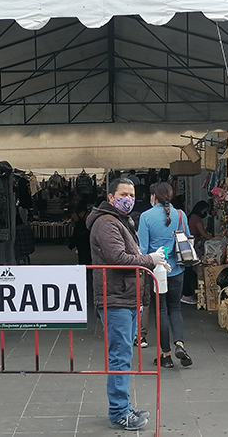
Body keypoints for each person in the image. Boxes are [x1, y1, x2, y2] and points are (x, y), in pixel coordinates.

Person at [86, 177, 168, 431]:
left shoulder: (122, 221)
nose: (129, 199)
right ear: (111, 197)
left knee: (124, 355)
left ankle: (124, 407)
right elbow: (119, 258)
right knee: (120, 357)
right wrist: (150, 259)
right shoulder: (106, 223)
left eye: (132, 195)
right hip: (115, 297)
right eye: (123, 194)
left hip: (125, 297)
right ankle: (119, 412)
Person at [138, 182, 194, 369]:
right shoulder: (180, 214)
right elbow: (187, 238)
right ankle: (180, 343)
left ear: (153, 197)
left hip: (156, 271)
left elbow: (143, 249)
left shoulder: (146, 217)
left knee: (161, 311)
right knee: (175, 308)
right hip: (177, 269)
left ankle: (166, 355)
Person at [181, 201, 213, 304]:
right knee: (189, 270)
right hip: (191, 247)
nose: (205, 213)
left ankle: (186, 293)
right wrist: (214, 239)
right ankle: (186, 294)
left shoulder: (191, 216)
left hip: (188, 246)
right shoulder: (196, 218)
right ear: (201, 209)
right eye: (205, 210)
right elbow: (203, 233)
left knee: (188, 270)